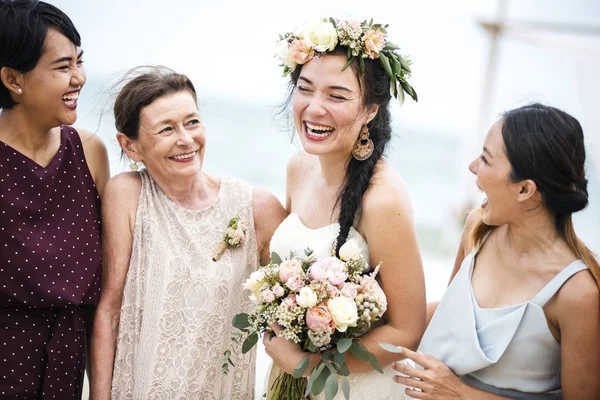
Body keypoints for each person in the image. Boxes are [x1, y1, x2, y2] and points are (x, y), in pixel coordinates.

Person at [90, 67, 287, 399]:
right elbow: (110, 309)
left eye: (192, 122)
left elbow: (289, 317)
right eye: (166, 129)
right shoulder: (126, 194)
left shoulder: (257, 208)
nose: (185, 139)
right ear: (130, 146)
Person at [262, 18, 427, 399]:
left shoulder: (383, 199)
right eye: (305, 89)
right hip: (288, 378)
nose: (314, 108)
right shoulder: (298, 167)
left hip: (354, 387)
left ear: (370, 109)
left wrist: (311, 367)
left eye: (337, 96)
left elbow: (407, 330)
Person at [393, 104, 600, 399]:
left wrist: (460, 394)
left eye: (486, 160)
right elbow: (453, 313)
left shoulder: (577, 293)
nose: (473, 166)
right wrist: (366, 319)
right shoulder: (477, 229)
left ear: (524, 189)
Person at [0, 1, 109, 398]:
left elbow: (109, 290)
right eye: (63, 67)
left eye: (80, 62)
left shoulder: (90, 152)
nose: (79, 77)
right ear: (14, 79)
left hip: (67, 371)